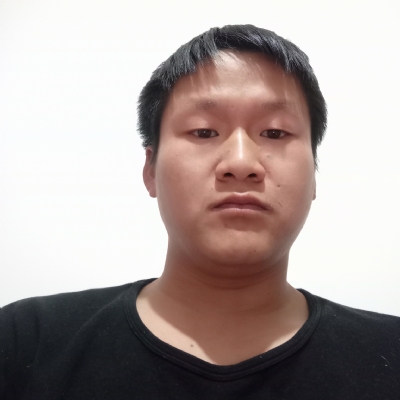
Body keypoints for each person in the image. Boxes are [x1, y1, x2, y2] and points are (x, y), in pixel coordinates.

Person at [1, 24, 399, 399]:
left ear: (313, 175)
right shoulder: (25, 342)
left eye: (275, 132)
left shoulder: (388, 354)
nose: (240, 163)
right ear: (150, 170)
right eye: (204, 132)